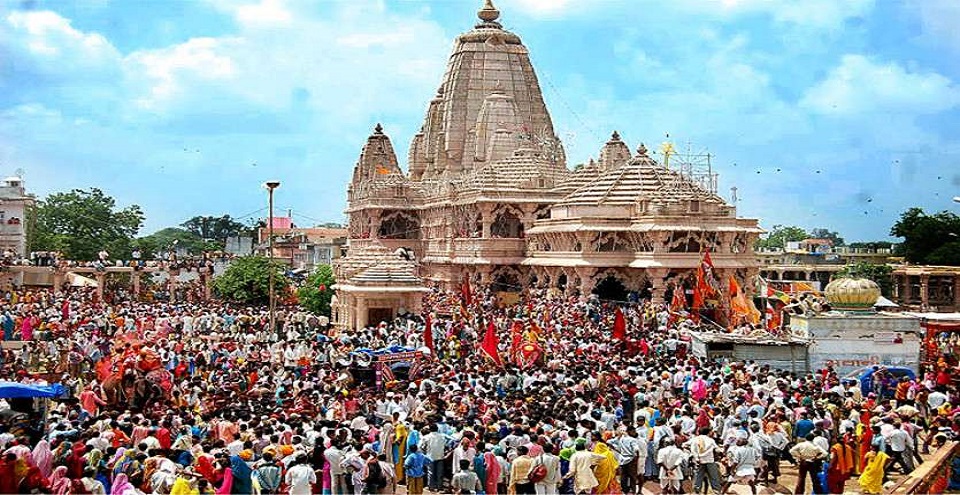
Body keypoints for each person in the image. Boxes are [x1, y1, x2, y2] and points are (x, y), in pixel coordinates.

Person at [687, 427, 721, 494]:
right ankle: (716, 491)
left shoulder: (695, 439)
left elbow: (685, 445)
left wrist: (694, 455)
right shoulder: (711, 440)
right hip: (709, 460)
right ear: (708, 432)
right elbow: (717, 449)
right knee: (713, 477)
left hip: (698, 461)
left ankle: (696, 491)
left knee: (698, 477)